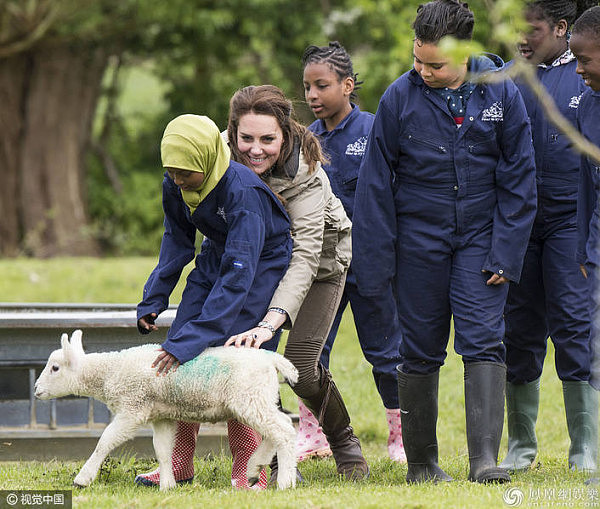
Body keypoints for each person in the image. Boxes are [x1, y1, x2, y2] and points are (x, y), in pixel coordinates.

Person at [352, 0, 537, 484]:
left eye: (434, 64)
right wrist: (376, 264)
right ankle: (422, 466)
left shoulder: (502, 93)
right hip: (418, 239)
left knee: (484, 339)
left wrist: (507, 251)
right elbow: (374, 186)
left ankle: (484, 462)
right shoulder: (398, 98)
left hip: (482, 238)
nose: (423, 70)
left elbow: (520, 177)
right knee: (419, 347)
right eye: (418, 59)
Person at [133, 114, 293, 489]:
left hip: (260, 261)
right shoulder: (176, 180)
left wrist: (190, 342)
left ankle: (249, 470)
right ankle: (178, 465)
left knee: (237, 360)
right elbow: (176, 239)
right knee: (183, 357)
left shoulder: (243, 194)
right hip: (218, 252)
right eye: (171, 171)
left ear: (206, 160)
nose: (177, 180)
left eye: (184, 173)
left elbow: (238, 278)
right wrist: (154, 299)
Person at [224, 84, 369, 484]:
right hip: (257, 265)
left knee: (301, 370)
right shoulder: (217, 156)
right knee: (252, 366)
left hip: (321, 267)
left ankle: (344, 443)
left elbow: (304, 258)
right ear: (233, 133)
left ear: (284, 135)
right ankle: (269, 461)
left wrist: (270, 322)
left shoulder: (307, 174)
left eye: (268, 139)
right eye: (247, 138)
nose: (256, 149)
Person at [500, 0, 599, 474]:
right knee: (519, 333)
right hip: (521, 226)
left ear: (560, 28)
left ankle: (585, 446)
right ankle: (521, 444)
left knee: (574, 329)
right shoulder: (507, 80)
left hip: (568, 224)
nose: (522, 38)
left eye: (532, 30)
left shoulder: (584, 80)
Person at [300, 41, 406, 463]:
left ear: (347, 85)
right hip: (323, 267)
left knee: (386, 350)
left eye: (321, 86)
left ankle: (399, 438)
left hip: (371, 264)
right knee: (311, 351)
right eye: (307, 86)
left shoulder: (375, 129)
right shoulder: (305, 140)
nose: (311, 95)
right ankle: (314, 434)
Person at [573, 3, 600, 468]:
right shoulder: (588, 107)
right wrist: (583, 246)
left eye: (587, 60)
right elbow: (585, 183)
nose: (578, 70)